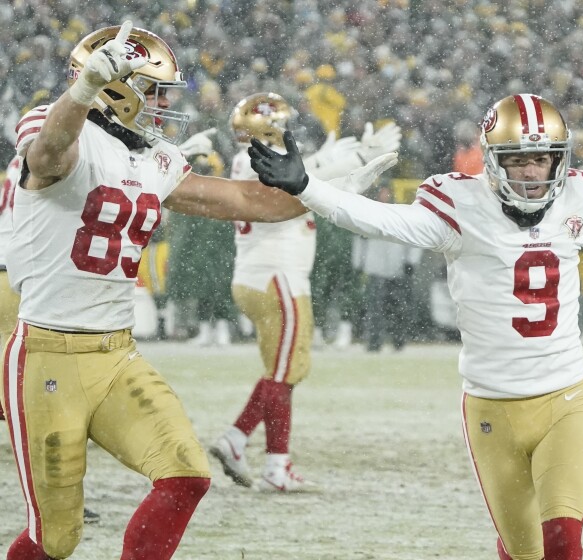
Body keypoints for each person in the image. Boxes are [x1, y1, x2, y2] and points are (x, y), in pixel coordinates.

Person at [247, 93, 583, 560]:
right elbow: (384, 221)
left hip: (565, 402)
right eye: (519, 160)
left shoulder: (579, 197)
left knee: (563, 543)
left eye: (543, 159)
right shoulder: (459, 206)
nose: (534, 172)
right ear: (491, 162)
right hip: (491, 409)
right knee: (523, 553)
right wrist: (306, 189)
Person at [0, 22, 390, 559]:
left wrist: (328, 194)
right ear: (115, 88)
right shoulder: (58, 123)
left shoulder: (155, 158)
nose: (164, 106)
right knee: (57, 538)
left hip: (116, 355)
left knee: (185, 474)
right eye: (155, 92)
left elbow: (250, 202)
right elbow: (47, 158)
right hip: (47, 354)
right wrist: (83, 90)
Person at [210, 92, 401, 491]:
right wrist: (356, 160)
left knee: (281, 372)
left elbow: (302, 170)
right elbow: (302, 180)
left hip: (261, 275)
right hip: (276, 276)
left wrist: (333, 158)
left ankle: (237, 440)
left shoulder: (246, 158)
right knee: (284, 373)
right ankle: (275, 465)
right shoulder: (254, 161)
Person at [2, 156, 103, 525]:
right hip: (23, 281)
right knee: (42, 396)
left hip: (12, 272)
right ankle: (55, 497)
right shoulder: (63, 161)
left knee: (18, 392)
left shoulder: (26, 161)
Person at [352, 185, 423, 352]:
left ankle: (398, 341)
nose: (384, 195)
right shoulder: (368, 215)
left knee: (398, 308)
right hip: (375, 268)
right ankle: (374, 342)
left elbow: (413, 239)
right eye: (381, 192)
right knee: (375, 308)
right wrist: (359, 264)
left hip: (397, 268)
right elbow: (360, 240)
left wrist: (411, 261)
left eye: (387, 192)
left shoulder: (400, 214)